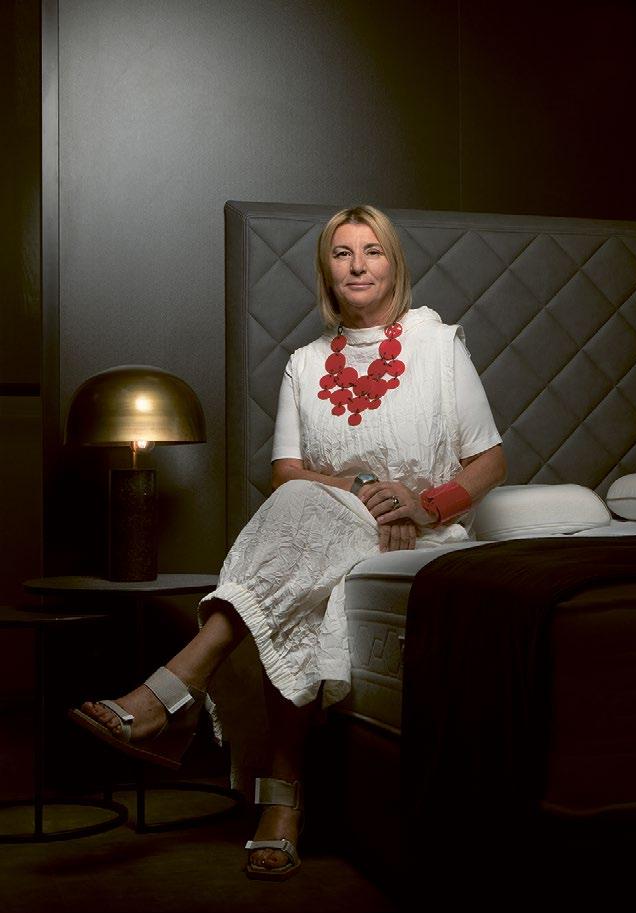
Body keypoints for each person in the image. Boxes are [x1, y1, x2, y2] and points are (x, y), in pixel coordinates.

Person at [69, 204, 506, 880]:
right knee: (302, 535)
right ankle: (274, 791)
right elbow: (287, 473)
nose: (358, 265)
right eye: (342, 253)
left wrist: (421, 504)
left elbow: (490, 463)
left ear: (394, 264)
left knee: (297, 537)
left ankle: (182, 698)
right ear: (326, 271)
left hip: (419, 533)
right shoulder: (305, 364)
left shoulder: (439, 347)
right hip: (325, 520)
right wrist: (359, 485)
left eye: (372, 251)